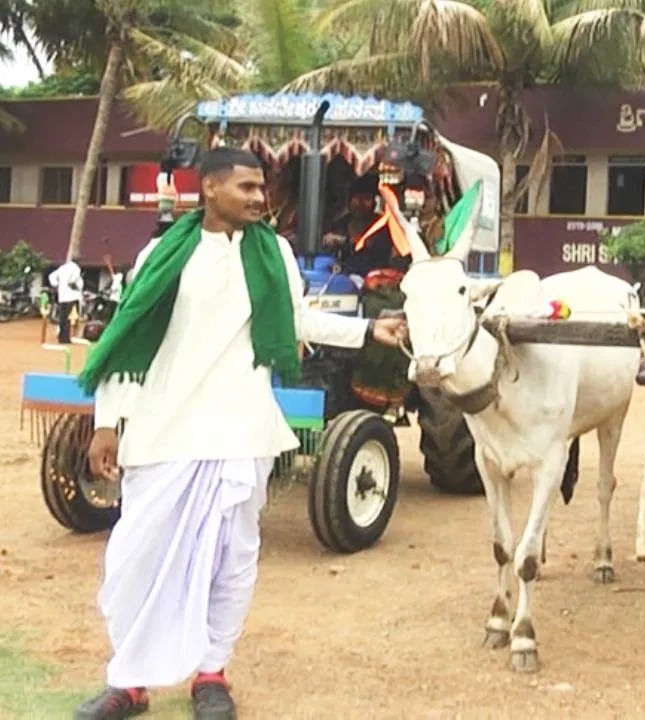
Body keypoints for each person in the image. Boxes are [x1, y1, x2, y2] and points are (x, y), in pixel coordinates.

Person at [73, 148, 407, 720]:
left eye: (262, 188)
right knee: (137, 556)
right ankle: (129, 681)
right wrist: (107, 422)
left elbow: (298, 322)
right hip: (164, 428)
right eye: (247, 187)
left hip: (239, 428)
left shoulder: (273, 252)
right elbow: (128, 339)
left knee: (231, 556)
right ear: (208, 188)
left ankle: (211, 672)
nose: (259, 198)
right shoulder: (162, 254)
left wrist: (369, 329)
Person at [48, 254, 84, 343]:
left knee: (62, 318)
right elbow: (73, 280)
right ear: (78, 261)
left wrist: (56, 285)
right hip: (72, 297)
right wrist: (73, 285)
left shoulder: (62, 268)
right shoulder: (76, 268)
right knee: (70, 318)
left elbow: (51, 276)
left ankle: (61, 337)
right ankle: (66, 338)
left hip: (62, 296)